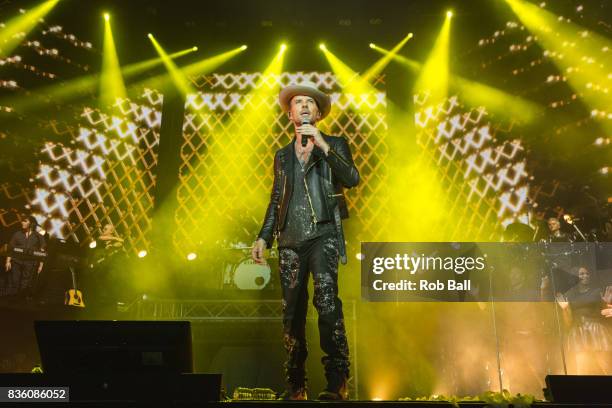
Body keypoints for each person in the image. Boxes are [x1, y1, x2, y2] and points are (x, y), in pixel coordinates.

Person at [251, 81, 359, 400]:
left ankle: (336, 381)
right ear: (290, 114)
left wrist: (324, 147)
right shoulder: (282, 156)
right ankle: (296, 384)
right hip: (290, 241)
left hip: (324, 234)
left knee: (327, 305)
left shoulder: (335, 144)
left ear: (318, 113)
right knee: (292, 315)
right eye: (298, 102)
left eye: (310, 103)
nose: (304, 106)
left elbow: (352, 179)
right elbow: (275, 199)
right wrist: (264, 236)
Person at [556, 266, 612, 374]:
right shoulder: (569, 295)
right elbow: (568, 322)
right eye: (581, 274)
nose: (585, 276)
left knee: (606, 367)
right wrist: (565, 309)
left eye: (587, 273)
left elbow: (604, 313)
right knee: (583, 370)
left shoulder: (597, 291)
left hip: (597, 331)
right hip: (578, 333)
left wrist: (606, 303)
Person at [5, 216, 46, 298]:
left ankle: (21, 300)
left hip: (30, 263)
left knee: (25, 283)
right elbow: (11, 249)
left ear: (31, 223)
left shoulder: (38, 236)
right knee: (14, 281)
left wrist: (41, 265)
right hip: (16, 261)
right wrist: (7, 261)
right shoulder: (17, 234)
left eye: (25, 221)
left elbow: (42, 252)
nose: (22, 222)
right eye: (22, 221)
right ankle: (10, 300)